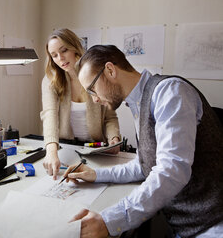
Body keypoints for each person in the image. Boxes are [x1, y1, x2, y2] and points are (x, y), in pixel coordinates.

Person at [64, 45, 223, 238]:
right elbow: (144, 166)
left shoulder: (170, 92)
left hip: (211, 223)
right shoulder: (138, 103)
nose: (94, 100)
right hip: (183, 223)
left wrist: (109, 220)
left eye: (92, 89)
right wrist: (96, 175)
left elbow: (171, 171)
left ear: (110, 70)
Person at [40, 29, 121, 180]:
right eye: (54, 55)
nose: (60, 58)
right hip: (66, 148)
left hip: (96, 150)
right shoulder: (51, 80)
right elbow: (49, 115)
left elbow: (110, 117)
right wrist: (51, 152)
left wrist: (114, 138)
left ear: (75, 47)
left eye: (64, 50)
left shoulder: (95, 74)